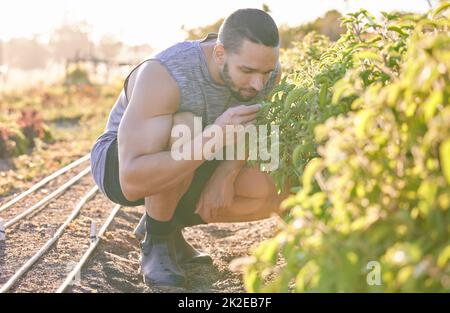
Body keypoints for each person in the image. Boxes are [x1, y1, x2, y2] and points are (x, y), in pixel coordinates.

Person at [90, 8, 289, 288]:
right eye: (247, 71)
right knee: (186, 125)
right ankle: (157, 243)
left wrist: (227, 172)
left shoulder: (266, 72)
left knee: (265, 189)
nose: (258, 83)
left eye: (266, 72)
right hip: (122, 163)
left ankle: (166, 225)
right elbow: (132, 181)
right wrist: (213, 138)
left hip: (198, 157)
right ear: (220, 53)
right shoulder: (166, 72)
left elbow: (252, 125)